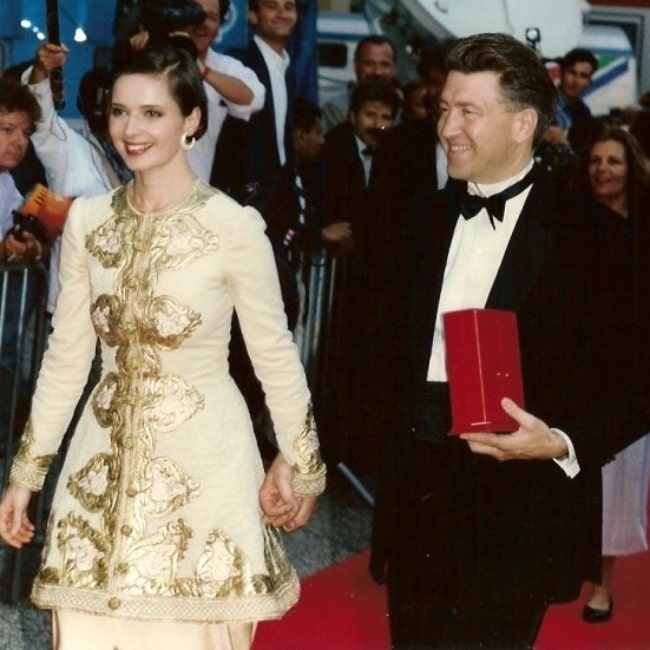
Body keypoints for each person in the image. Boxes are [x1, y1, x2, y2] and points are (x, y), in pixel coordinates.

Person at [0, 45, 325, 650]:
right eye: (121, 112)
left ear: (191, 120)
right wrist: (27, 473)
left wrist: (301, 463)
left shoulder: (234, 226)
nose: (131, 129)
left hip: (206, 476)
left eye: (152, 113)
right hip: (97, 477)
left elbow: (274, 356)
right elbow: (67, 359)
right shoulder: (88, 222)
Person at [368, 33, 650, 650]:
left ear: (524, 123)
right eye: (444, 108)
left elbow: (639, 382)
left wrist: (561, 441)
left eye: (468, 111)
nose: (447, 127)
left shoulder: (596, 238)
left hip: (519, 510)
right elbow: (370, 356)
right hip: (416, 496)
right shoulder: (414, 220)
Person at [572, 126, 650, 624]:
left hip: (633, 372)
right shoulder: (571, 220)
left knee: (619, 481)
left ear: (632, 169)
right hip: (578, 369)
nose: (603, 169)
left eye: (614, 161)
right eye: (596, 160)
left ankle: (604, 584)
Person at [129, 0, 265, 183]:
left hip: (196, 190)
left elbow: (255, 99)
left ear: (219, 27)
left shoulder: (223, 66)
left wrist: (203, 71)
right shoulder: (152, 51)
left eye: (211, 17)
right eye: (194, 13)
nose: (202, 23)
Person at [538, 47, 598, 183]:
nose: (576, 81)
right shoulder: (540, 99)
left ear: (589, 82)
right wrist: (542, 133)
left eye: (583, 76)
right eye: (572, 72)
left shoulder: (584, 114)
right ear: (562, 73)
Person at [321, 35, 399, 132]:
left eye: (384, 64)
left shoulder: (404, 109)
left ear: (394, 69)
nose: (377, 72)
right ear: (356, 66)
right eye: (369, 64)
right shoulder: (337, 109)